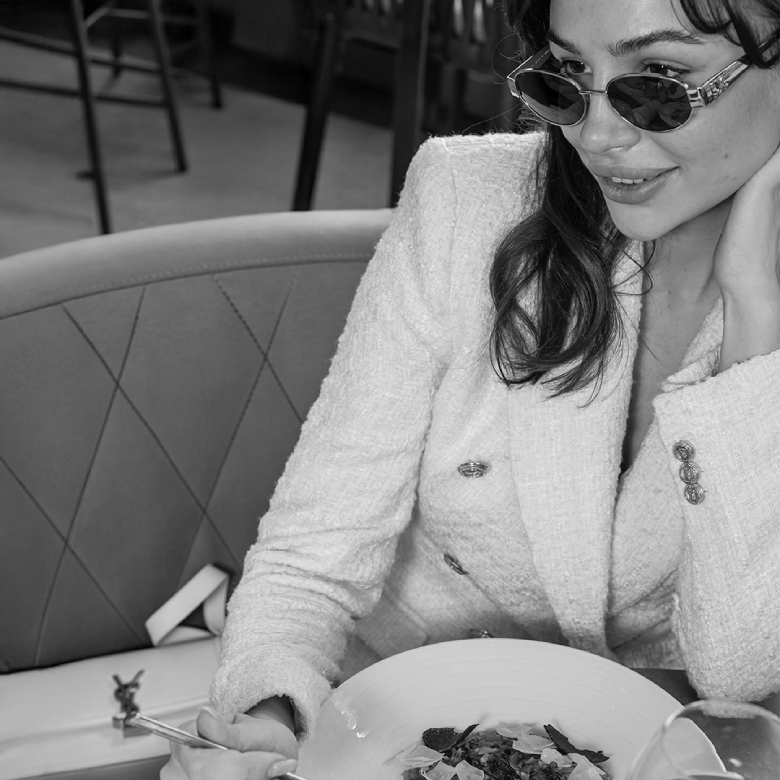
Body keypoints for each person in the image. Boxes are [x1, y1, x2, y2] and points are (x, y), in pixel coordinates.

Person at [163, 0, 780, 777]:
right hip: (390, 738)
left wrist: (758, 323)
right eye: (569, 77)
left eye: (658, 81)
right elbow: (311, 555)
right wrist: (266, 715)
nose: (595, 134)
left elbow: (742, 682)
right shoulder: (466, 202)